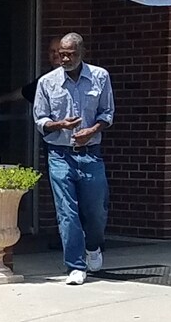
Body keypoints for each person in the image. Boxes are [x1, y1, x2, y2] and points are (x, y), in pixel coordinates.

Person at [33, 31, 114, 285]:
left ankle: (93, 247)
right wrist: (60, 125)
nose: (64, 58)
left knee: (96, 210)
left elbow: (107, 113)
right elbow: (40, 120)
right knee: (67, 212)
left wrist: (91, 131)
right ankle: (75, 266)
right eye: (61, 54)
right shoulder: (47, 82)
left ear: (82, 53)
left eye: (70, 54)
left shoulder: (100, 77)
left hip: (90, 154)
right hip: (59, 155)